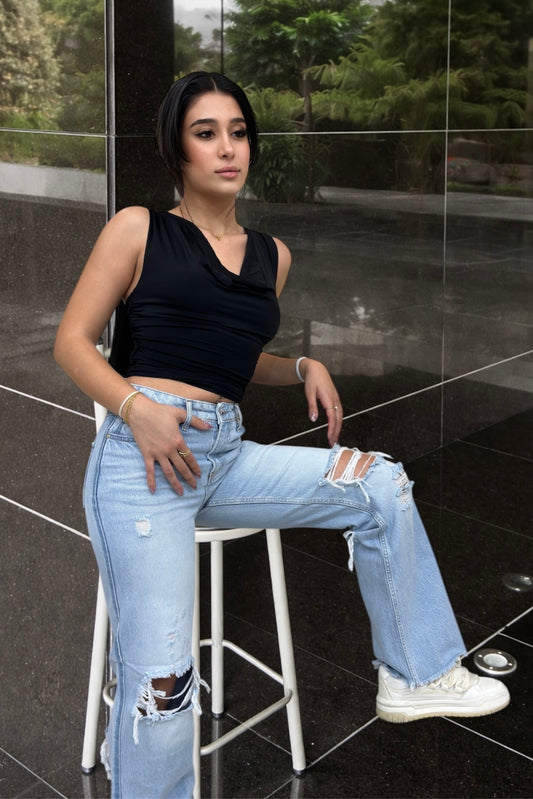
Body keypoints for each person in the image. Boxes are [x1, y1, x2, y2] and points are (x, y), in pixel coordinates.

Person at [54, 71, 510, 799]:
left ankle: (414, 672)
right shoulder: (140, 228)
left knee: (377, 480)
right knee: (166, 686)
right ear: (178, 149)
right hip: (140, 466)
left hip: (225, 455)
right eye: (207, 133)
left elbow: (228, 358)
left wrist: (299, 363)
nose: (227, 148)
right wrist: (133, 405)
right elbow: (72, 343)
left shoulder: (272, 255)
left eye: (237, 132)